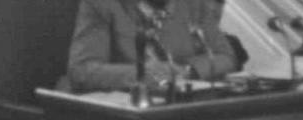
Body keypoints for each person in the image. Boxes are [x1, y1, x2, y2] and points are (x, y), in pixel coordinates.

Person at [66, 0, 236, 93]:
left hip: (180, 109)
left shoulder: (194, 5)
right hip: (125, 114)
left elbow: (226, 56)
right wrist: (143, 74)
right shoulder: (101, 4)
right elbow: (81, 70)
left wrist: (187, 71)